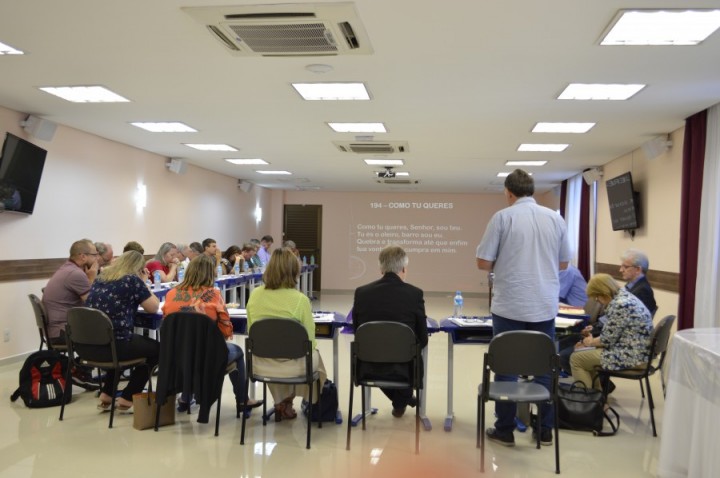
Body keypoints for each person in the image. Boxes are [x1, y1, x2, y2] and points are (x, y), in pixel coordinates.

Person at [476, 168, 570, 447]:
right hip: (544, 305)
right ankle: (544, 428)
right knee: (544, 365)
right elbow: (564, 263)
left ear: (508, 192)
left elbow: (483, 262)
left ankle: (504, 429)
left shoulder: (503, 217)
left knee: (505, 365)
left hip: (509, 306)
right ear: (531, 190)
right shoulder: (556, 218)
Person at [162, 255, 261, 413]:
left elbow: (167, 322)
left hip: (177, 355)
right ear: (211, 273)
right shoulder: (213, 294)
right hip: (206, 358)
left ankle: (185, 398)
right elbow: (226, 330)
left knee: (190, 348)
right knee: (237, 351)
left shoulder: (171, 294)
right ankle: (243, 400)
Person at [246, 248, 327, 421]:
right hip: (295, 367)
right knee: (314, 360)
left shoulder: (254, 295)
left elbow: (251, 330)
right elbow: (310, 342)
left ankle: (282, 401)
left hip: (260, 364)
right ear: (294, 271)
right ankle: (293, 400)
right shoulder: (300, 300)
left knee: (274, 354)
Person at [352, 245, 428, 417]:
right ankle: (402, 400)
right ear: (403, 268)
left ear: (381, 268)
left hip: (368, 366)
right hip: (405, 368)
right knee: (408, 356)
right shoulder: (415, 294)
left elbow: (358, 332)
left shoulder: (362, 293)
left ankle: (401, 401)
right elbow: (423, 339)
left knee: (379, 357)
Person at [84, 251, 160, 411]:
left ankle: (107, 394)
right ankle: (128, 396)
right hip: (116, 346)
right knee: (158, 350)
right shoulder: (132, 280)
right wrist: (143, 283)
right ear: (139, 268)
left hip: (91, 347)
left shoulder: (100, 279)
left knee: (120, 341)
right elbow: (153, 307)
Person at [570, 273, 653, 391]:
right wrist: (589, 342)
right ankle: (597, 400)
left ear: (603, 292)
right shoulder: (625, 297)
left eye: (597, 297)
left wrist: (588, 342)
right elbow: (613, 332)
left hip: (633, 356)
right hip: (638, 351)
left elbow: (607, 340)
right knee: (584, 356)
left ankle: (586, 402)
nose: (597, 301)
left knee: (577, 358)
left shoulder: (620, 305)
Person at [42, 239, 99, 345]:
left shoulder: (67, 268)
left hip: (54, 329)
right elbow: (92, 304)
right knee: (106, 332)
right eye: (94, 255)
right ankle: (98, 360)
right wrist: (91, 279)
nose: (97, 258)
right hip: (61, 331)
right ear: (83, 256)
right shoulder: (75, 273)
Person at [620, 249, 657, 315]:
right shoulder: (632, 285)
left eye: (625, 267)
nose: (621, 270)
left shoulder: (643, 291)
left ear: (638, 269)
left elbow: (628, 316)